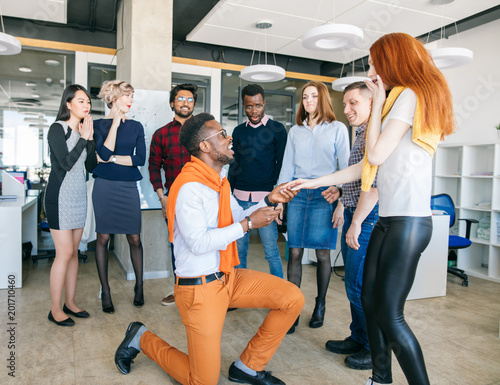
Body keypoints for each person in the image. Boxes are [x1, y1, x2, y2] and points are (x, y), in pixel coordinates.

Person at [287, 33, 454, 385]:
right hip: (389, 222)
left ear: (393, 60)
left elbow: (375, 155)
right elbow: (365, 167)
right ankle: (380, 378)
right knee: (369, 300)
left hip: (409, 222)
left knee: (391, 315)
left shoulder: (410, 95)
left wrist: (377, 102)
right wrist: (312, 182)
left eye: (376, 62)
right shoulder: (401, 101)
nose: (372, 69)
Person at [114, 113, 304, 385]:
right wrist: (249, 224)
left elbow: (239, 215)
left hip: (228, 276)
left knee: (292, 298)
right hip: (200, 290)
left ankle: (247, 367)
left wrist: (269, 200)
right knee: (202, 381)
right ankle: (141, 338)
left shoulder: (220, 181)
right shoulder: (190, 187)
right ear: (204, 146)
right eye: (223, 135)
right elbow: (199, 242)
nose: (230, 140)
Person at [277, 80, 349, 332]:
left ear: (324, 100)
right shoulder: (295, 131)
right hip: (297, 194)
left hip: (325, 195)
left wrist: (342, 200)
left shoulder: (338, 128)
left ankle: (320, 304)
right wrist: (279, 201)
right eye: (305, 97)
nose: (308, 101)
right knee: (294, 252)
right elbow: (287, 167)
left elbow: (348, 168)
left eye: (314, 97)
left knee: (321, 253)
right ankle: (292, 307)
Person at [324, 82, 378, 371]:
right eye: (344, 104)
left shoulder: (375, 134)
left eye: (353, 103)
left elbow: (375, 185)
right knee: (352, 284)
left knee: (358, 286)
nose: (347, 110)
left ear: (371, 103)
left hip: (368, 217)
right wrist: (341, 194)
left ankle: (373, 347)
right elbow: (357, 178)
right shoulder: (360, 133)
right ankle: (358, 337)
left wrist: (356, 221)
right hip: (357, 212)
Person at [45, 84, 97, 326]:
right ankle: (55, 309)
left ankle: (71, 302)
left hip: (78, 196)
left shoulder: (83, 130)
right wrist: (83, 139)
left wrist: (91, 139)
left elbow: (91, 167)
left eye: (88, 101)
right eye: (81, 101)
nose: (86, 105)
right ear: (68, 104)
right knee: (63, 253)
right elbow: (65, 164)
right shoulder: (57, 129)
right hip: (59, 196)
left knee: (74, 253)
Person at [92, 80, 146, 313]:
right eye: (127, 95)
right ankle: (106, 289)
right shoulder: (96, 125)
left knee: (134, 238)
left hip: (128, 187)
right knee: (103, 238)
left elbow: (139, 160)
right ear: (114, 98)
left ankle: (140, 286)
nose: (131, 99)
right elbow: (102, 151)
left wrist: (112, 159)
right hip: (104, 187)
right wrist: (114, 124)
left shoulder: (136, 127)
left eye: (132, 95)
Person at [228, 84, 287, 278]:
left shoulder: (277, 130)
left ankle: (279, 295)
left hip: (266, 200)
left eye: (258, 106)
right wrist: (228, 193)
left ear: (264, 104)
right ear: (243, 106)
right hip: (239, 199)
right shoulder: (238, 131)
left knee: (271, 251)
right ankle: (239, 294)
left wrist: (277, 199)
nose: (254, 111)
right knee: (239, 252)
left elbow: (281, 165)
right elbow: (234, 164)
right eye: (249, 106)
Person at [149, 83, 197, 306]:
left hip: (202, 197)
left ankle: (202, 290)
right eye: (180, 99)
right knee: (177, 245)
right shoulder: (161, 134)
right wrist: (162, 197)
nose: (185, 103)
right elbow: (153, 166)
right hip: (173, 198)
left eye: (189, 99)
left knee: (202, 243)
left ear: (194, 104)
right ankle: (179, 290)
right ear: (172, 103)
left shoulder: (204, 130)